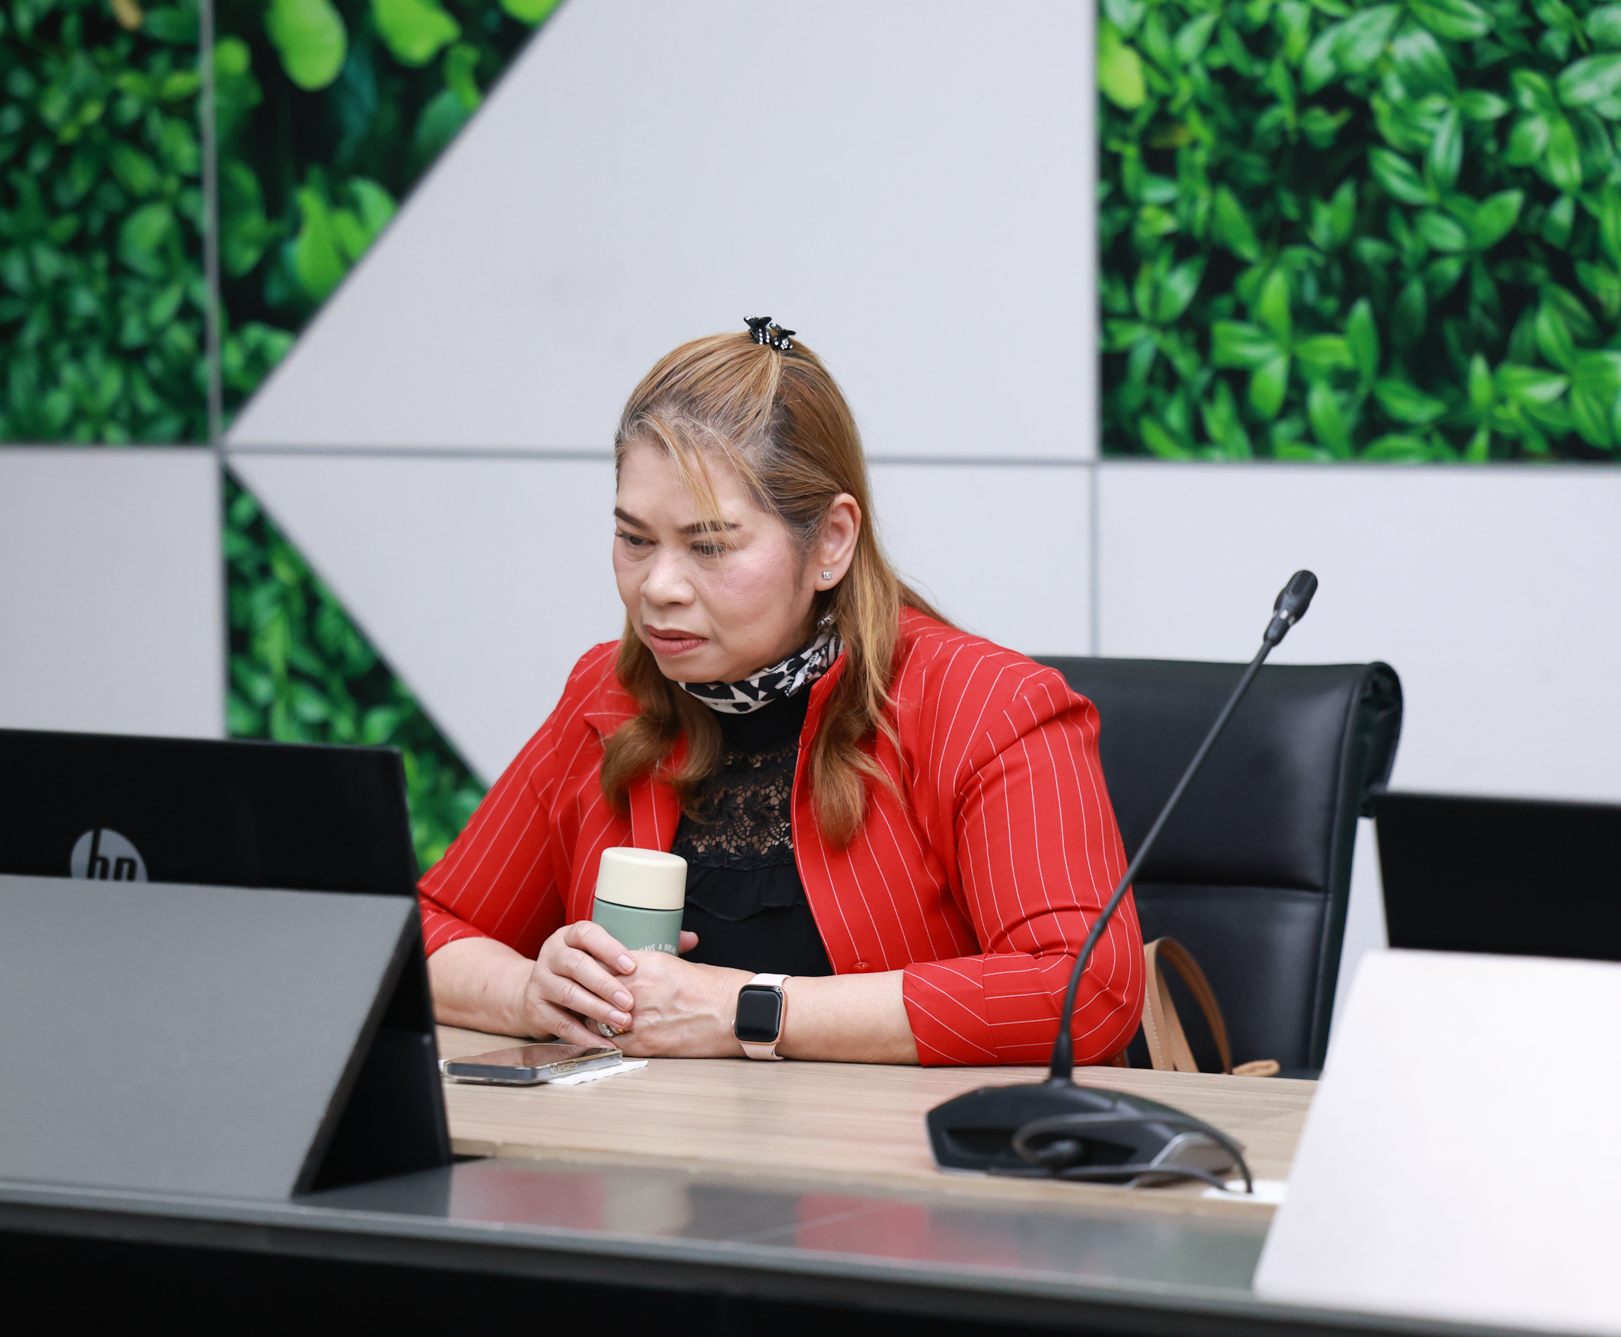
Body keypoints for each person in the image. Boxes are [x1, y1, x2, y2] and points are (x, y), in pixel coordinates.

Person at [421, 319, 1143, 1065]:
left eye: (709, 545)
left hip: (902, 1143)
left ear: (830, 540)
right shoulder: (609, 693)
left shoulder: (988, 703)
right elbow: (423, 928)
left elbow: (1086, 990)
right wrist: (530, 992)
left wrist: (745, 1010)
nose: (658, 587)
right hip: (639, 1139)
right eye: (635, 539)